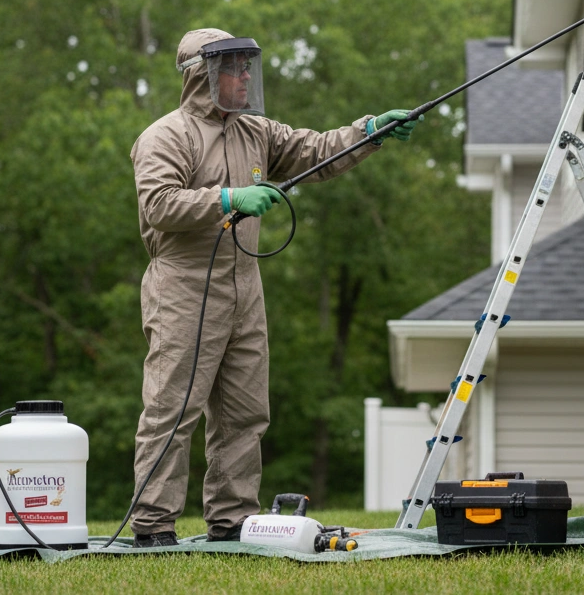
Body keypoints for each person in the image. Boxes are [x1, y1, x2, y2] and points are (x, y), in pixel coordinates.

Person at [128, 27, 420, 546]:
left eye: (248, 66)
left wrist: (371, 130)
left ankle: (232, 519)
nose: (246, 76)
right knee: (172, 409)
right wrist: (228, 198)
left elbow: (315, 150)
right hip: (183, 290)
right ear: (202, 75)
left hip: (245, 288)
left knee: (244, 413)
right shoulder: (166, 136)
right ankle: (153, 525)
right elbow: (158, 205)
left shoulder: (255, 131)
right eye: (234, 67)